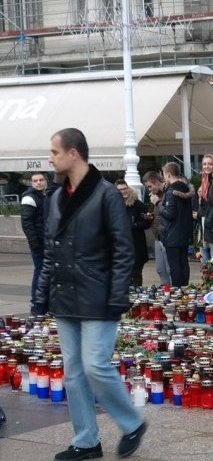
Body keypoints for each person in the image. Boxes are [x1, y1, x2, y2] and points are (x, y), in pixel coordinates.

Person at [32, 128, 146, 460]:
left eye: (54, 152)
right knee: (74, 372)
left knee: (95, 365)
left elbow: (123, 251)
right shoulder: (54, 198)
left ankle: (132, 423)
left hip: (98, 293)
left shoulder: (106, 194)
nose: (50, 158)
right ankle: (86, 441)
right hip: (65, 295)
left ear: (74, 154)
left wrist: (117, 297)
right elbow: (50, 251)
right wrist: (41, 295)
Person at [160, 162, 194, 287]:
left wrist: (159, 204)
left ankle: (177, 291)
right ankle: (185, 288)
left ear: (168, 175)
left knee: (174, 265)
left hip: (172, 234)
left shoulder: (171, 192)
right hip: (184, 233)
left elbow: (170, 214)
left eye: (164, 175)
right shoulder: (186, 189)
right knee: (183, 262)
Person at [115, 180, 151, 287]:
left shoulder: (138, 204)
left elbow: (147, 223)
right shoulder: (114, 204)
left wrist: (133, 226)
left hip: (137, 246)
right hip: (120, 247)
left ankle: (137, 297)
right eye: (120, 190)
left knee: (136, 274)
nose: (123, 191)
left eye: (125, 188)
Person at [20, 171, 47, 306]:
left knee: (45, 271)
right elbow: (27, 223)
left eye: (41, 180)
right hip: (39, 243)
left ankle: (42, 301)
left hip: (47, 242)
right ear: (31, 183)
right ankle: (36, 301)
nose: (38, 183)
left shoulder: (44, 196)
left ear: (45, 181)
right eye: (35, 181)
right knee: (40, 271)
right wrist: (35, 243)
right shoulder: (29, 198)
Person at [142, 171, 170, 286]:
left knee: (168, 269)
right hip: (157, 235)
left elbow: (168, 214)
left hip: (166, 236)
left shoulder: (167, 194)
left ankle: (171, 291)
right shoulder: (157, 195)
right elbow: (160, 215)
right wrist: (151, 216)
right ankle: (165, 290)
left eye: (150, 186)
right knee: (160, 269)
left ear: (157, 182)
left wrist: (157, 202)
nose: (149, 189)